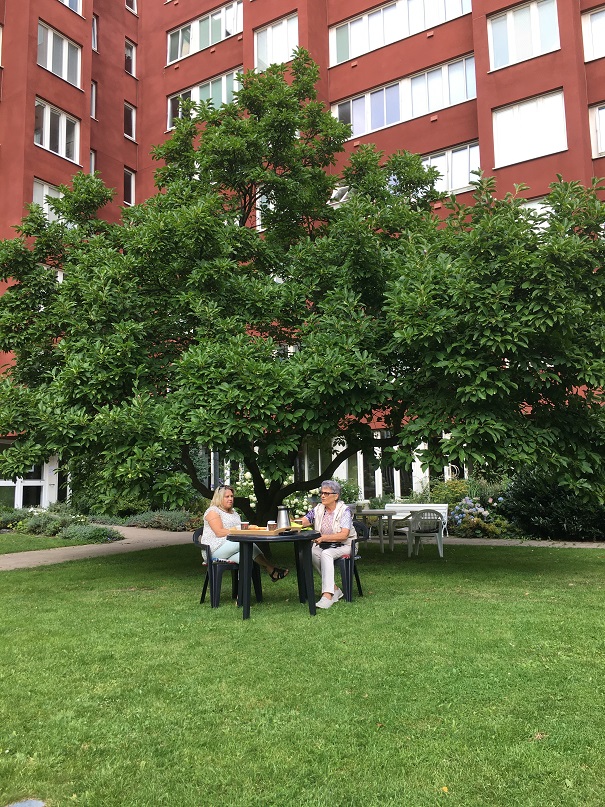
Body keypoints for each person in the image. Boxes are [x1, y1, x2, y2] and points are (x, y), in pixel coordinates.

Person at [201, 485, 289, 581]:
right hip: (214, 550)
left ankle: (242, 589)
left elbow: (239, 529)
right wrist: (240, 531)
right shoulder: (213, 511)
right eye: (227, 497)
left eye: (232, 496)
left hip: (230, 548)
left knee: (246, 559)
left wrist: (249, 529)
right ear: (219, 498)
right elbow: (219, 532)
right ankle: (271, 569)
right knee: (244, 543)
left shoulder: (234, 513)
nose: (230, 499)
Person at [298, 479, 356, 609]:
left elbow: (344, 535)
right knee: (311, 552)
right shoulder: (318, 509)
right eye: (321, 493)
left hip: (346, 546)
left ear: (336, 496)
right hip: (325, 546)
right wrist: (287, 522)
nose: (322, 496)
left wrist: (324, 538)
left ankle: (327, 595)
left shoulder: (344, 511)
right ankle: (334, 588)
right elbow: (304, 521)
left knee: (326, 554)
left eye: (326, 493)